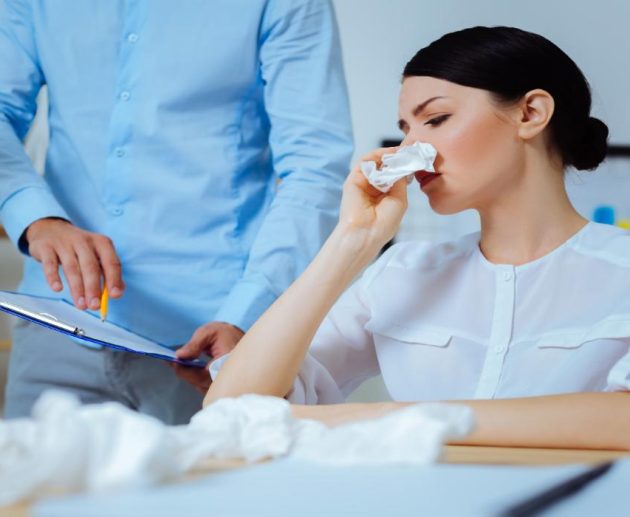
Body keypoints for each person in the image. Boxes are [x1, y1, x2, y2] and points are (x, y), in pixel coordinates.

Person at [204, 26, 630, 450]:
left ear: (531, 113)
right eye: (406, 129)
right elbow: (231, 412)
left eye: (436, 119)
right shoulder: (400, 274)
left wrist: (381, 418)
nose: (410, 150)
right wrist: (352, 240)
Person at [0, 0, 352, 423]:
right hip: (57, 325)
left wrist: (247, 313)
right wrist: (34, 217)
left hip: (210, 343)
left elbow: (315, 168)